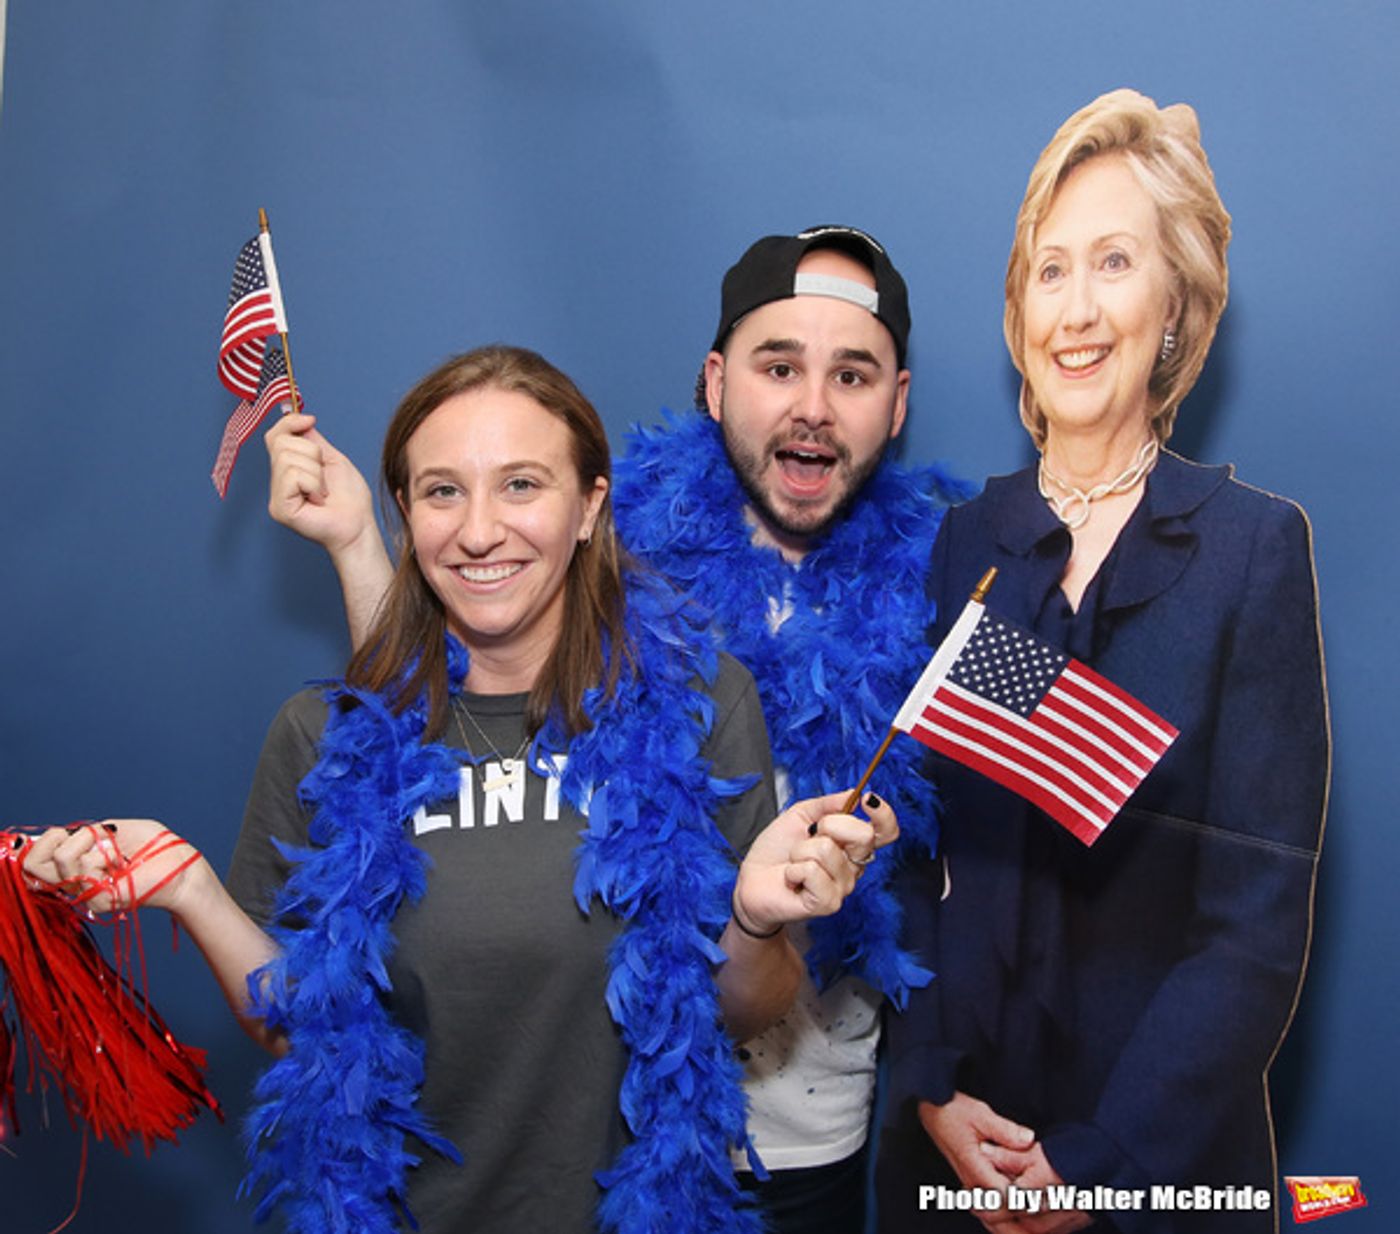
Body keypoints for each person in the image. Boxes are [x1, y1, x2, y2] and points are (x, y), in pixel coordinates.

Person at [23, 345, 899, 1234]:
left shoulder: (702, 706)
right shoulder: (325, 739)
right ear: (405, 514)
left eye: (521, 485)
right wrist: (189, 890)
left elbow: (744, 1011)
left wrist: (751, 921)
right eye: (443, 491)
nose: (480, 531)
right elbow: (305, 1033)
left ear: (591, 506)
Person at [262, 227, 969, 1232]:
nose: (811, 405)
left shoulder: (950, 583)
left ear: (895, 404)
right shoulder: (596, 527)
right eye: (778, 366)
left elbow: (970, 875)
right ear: (716, 380)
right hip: (590, 1116)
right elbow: (441, 701)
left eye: (850, 374)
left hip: (805, 1117)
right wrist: (355, 549)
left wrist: (948, 1073)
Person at [876, 90, 1329, 1234]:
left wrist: (1100, 1167)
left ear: (1171, 304)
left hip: (1157, 1176)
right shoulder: (968, 542)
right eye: (1047, 269)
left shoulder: (1249, 551)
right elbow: (915, 850)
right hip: (955, 1161)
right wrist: (931, 1083)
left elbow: (1252, 926)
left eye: (1112, 263)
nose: (1073, 310)